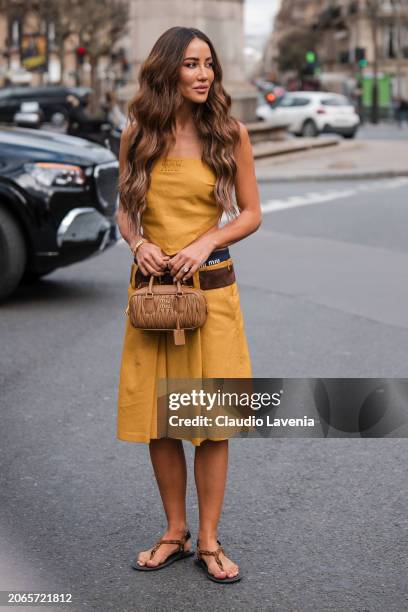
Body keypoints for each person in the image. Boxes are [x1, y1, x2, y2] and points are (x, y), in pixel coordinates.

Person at [115, 26, 262, 584]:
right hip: (153, 298)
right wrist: (139, 242)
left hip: (212, 295)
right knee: (162, 420)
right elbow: (125, 210)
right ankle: (174, 532)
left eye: (210, 65)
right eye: (193, 64)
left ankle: (208, 540)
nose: (204, 74)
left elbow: (250, 212)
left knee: (212, 422)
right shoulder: (138, 135)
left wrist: (207, 239)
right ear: (168, 70)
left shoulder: (229, 132)